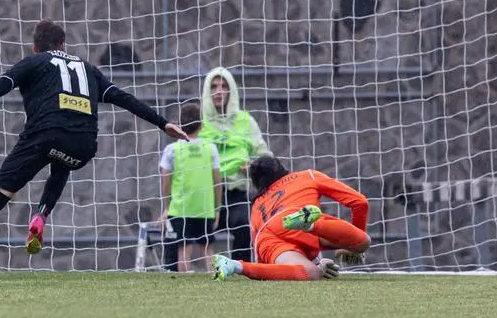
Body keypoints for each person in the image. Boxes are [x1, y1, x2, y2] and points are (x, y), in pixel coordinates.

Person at [0, 19, 188, 281]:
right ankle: (42, 213)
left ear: (34, 48)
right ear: (64, 45)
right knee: (62, 159)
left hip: (43, 136)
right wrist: (163, 123)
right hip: (84, 146)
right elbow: (125, 98)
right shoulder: (89, 69)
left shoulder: (34, 62)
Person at [213, 156, 371, 281]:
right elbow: (360, 202)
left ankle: (234, 266)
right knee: (364, 241)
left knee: (310, 274)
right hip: (298, 218)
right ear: (282, 168)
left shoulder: (257, 204)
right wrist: (352, 247)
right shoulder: (308, 176)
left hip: (269, 233)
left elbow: (267, 262)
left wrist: (316, 266)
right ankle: (310, 226)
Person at [199, 67, 272, 262]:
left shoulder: (246, 121)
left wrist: (254, 166)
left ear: (231, 90)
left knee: (244, 225)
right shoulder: (199, 121)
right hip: (203, 194)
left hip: (235, 193)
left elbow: (265, 156)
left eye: (224, 86)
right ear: (207, 90)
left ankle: (241, 270)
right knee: (186, 227)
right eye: (213, 86)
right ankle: (175, 272)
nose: (219, 91)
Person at [158, 102, 222, 272]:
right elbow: (217, 181)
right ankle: (214, 277)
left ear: (179, 126)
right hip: (205, 207)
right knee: (207, 247)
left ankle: (184, 281)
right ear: (201, 126)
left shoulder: (172, 149)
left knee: (183, 249)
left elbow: (165, 180)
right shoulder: (211, 149)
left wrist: (166, 207)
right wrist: (216, 208)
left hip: (180, 208)